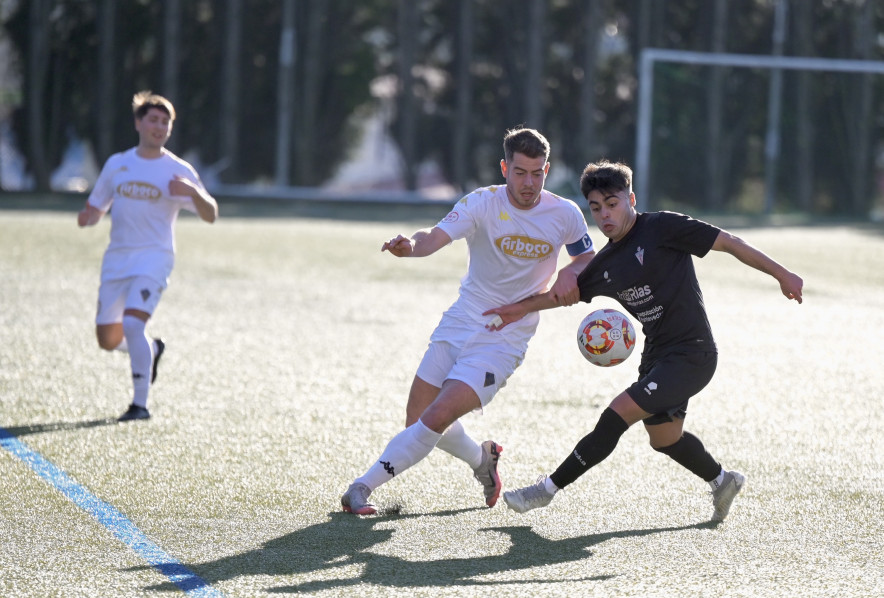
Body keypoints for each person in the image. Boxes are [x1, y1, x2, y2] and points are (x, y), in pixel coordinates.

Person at [486, 159, 803, 522]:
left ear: (631, 198)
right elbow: (561, 296)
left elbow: (729, 242)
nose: (604, 214)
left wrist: (782, 273)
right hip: (657, 357)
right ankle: (722, 480)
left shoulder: (663, 227)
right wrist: (515, 309)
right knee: (664, 438)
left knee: (614, 416)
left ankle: (545, 490)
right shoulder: (605, 263)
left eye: (612, 203)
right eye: (596, 207)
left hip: (692, 354)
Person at [340, 127, 596, 515]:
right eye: (520, 172)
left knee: (436, 416)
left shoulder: (565, 214)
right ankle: (482, 460)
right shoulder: (481, 203)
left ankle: (361, 488)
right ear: (504, 167)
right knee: (418, 419)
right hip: (461, 319)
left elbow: (586, 258)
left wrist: (571, 272)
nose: (529, 183)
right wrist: (410, 247)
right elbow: (434, 236)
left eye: (538, 173)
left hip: (506, 337)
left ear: (548, 169)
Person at [78, 90, 218, 422]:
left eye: (165, 121)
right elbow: (97, 206)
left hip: (154, 258)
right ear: (139, 123)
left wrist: (195, 192)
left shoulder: (177, 170)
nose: (159, 126)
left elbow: (211, 214)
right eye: (153, 119)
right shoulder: (118, 163)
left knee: (132, 323)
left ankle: (139, 405)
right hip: (117, 259)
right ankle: (151, 350)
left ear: (170, 129)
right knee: (108, 339)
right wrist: (89, 216)